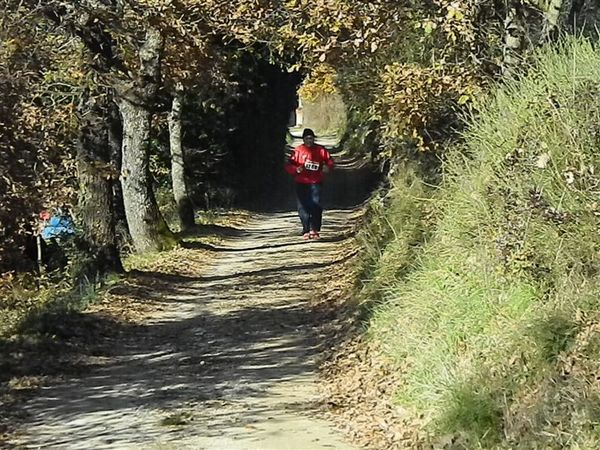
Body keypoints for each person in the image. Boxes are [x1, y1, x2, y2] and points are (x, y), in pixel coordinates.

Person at [285, 128, 334, 240]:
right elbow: (289, 165)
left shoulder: (320, 150)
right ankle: (306, 229)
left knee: (316, 205)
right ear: (303, 139)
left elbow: (329, 161)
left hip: (316, 182)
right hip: (301, 182)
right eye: (307, 138)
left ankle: (314, 229)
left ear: (313, 139)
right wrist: (296, 170)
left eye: (311, 138)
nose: (309, 141)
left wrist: (328, 167)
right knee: (302, 207)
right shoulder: (298, 151)